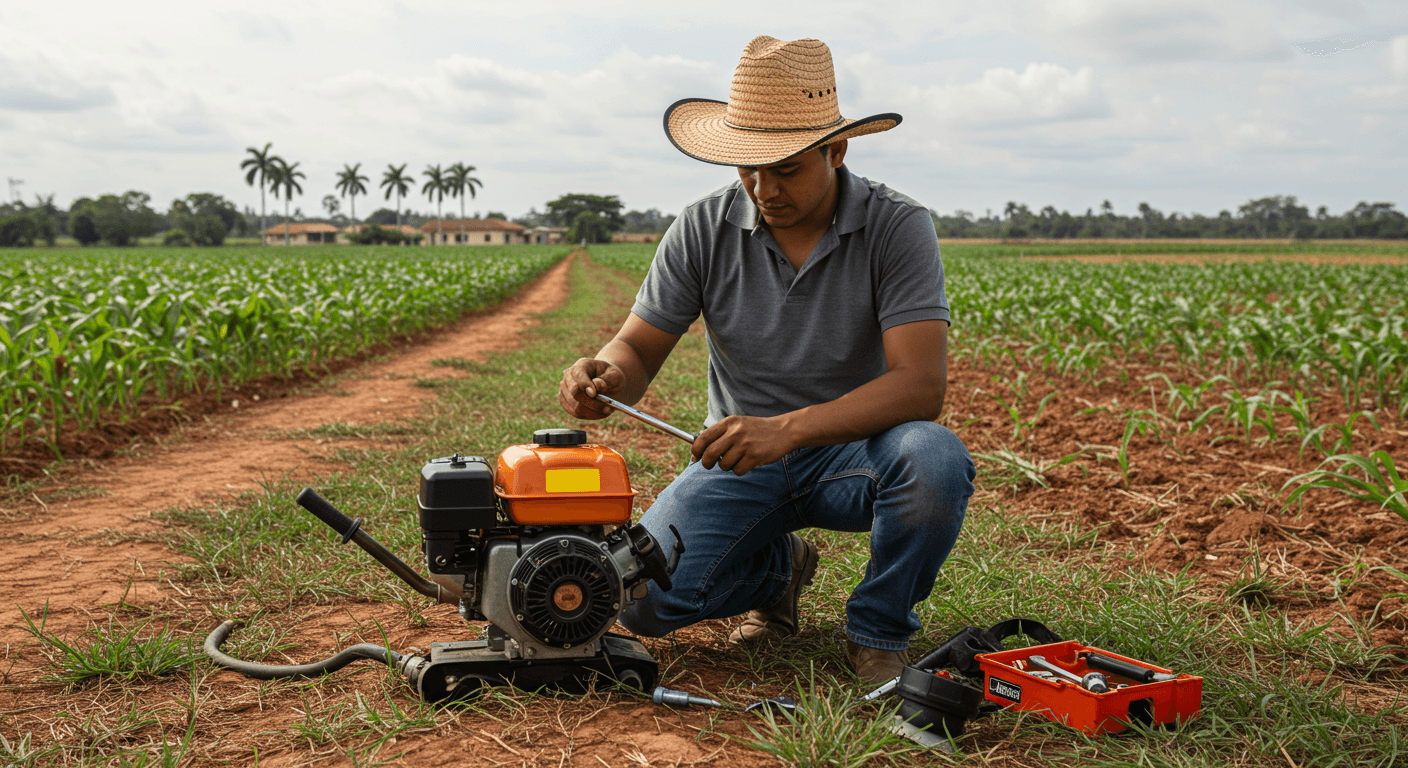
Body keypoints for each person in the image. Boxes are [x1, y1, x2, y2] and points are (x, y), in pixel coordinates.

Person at [557, 35, 974, 686]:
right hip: (741, 460)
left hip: (856, 454)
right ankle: (779, 571)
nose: (763, 187)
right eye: (747, 167)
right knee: (643, 600)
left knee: (935, 459)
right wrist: (606, 372)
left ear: (837, 150)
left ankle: (878, 632)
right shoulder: (701, 228)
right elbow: (638, 347)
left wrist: (788, 429)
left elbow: (920, 386)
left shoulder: (898, 226)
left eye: (785, 168)